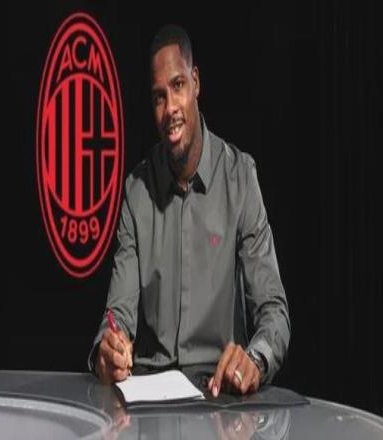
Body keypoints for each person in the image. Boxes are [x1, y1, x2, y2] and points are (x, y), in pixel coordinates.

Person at [89, 24, 290, 396]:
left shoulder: (240, 178)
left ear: (196, 82)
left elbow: (273, 311)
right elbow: (118, 315)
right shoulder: (136, 191)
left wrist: (255, 360)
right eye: (158, 97)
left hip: (220, 394)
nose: (170, 109)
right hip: (150, 398)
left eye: (178, 86)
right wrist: (109, 349)